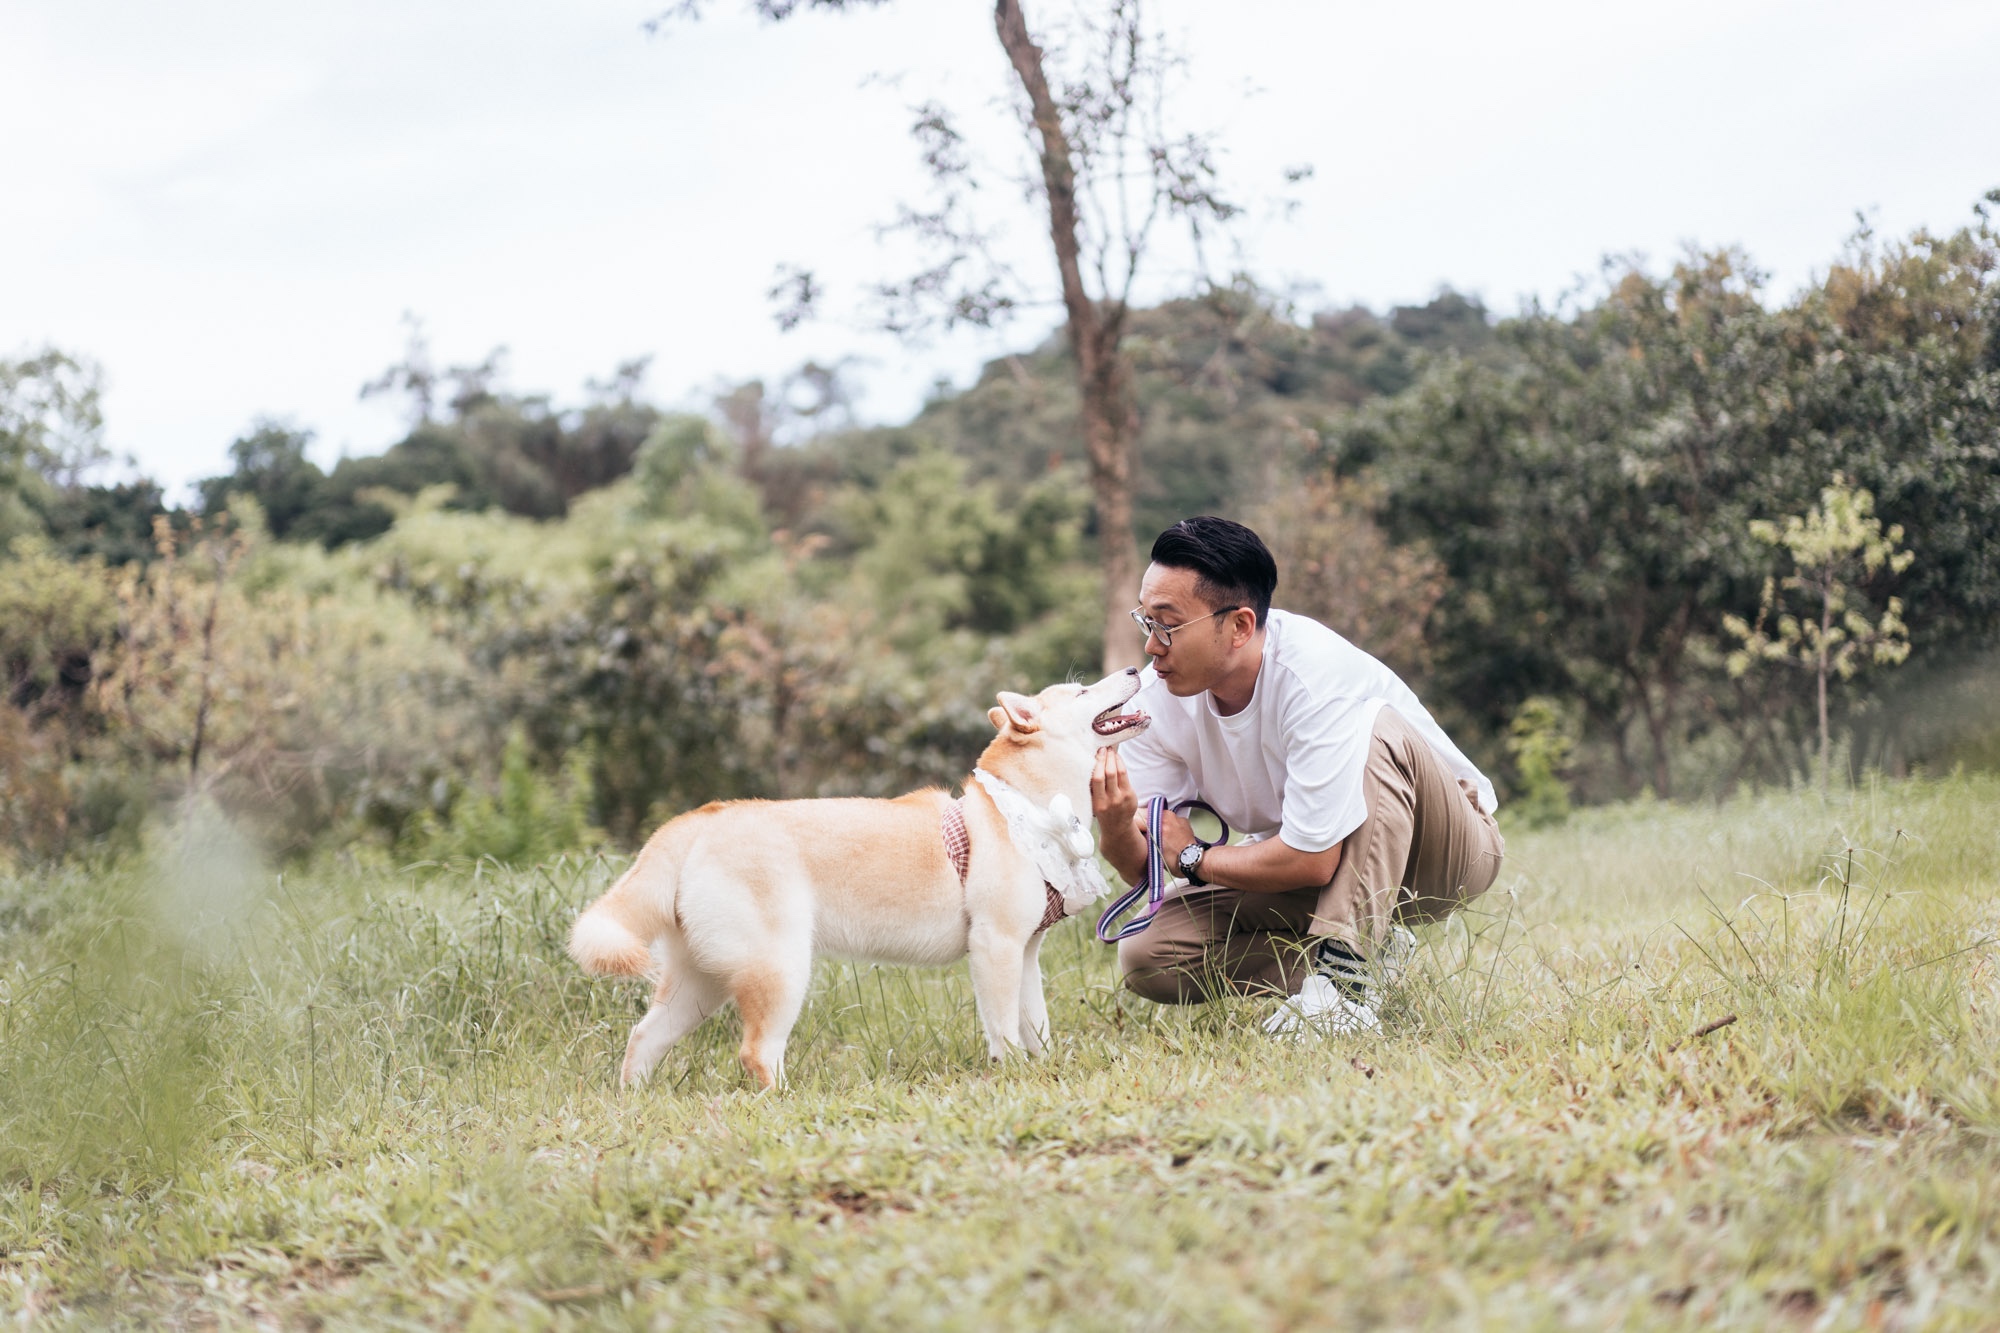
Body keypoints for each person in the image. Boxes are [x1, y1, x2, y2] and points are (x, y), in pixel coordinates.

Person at [1089, 515, 1504, 1034]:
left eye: (1168, 625)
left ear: (1239, 626)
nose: (1152, 646)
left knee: (1376, 728)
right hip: (1319, 868)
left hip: (1442, 854)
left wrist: (1197, 857)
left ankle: (1345, 983)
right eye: (1146, 621)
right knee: (1148, 953)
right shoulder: (1154, 701)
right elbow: (1148, 867)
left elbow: (1311, 859)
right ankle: (1365, 958)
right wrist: (1115, 824)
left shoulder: (1313, 675)